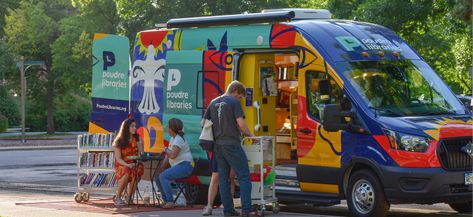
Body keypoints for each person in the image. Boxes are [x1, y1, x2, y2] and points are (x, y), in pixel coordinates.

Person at [204, 80, 260, 217]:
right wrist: (251, 135)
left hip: (218, 145)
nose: (239, 99)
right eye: (240, 96)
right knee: (244, 175)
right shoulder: (233, 102)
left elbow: (203, 123)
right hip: (232, 143)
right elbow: (241, 124)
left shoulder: (213, 102)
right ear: (235, 91)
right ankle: (246, 209)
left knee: (223, 178)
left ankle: (228, 211)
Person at [155, 118, 194, 209]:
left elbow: (172, 155)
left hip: (185, 166)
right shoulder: (173, 138)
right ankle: (166, 200)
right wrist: (162, 168)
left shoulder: (178, 139)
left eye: (168, 126)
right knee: (158, 176)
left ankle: (170, 201)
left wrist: (165, 150)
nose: (167, 128)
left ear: (172, 128)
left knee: (163, 176)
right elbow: (168, 156)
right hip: (179, 165)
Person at [113, 118, 144, 206]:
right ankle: (118, 197)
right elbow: (118, 158)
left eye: (135, 126)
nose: (135, 128)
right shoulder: (119, 140)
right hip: (123, 163)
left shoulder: (137, 138)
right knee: (126, 170)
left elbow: (141, 154)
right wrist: (127, 164)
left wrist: (140, 143)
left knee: (136, 171)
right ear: (126, 128)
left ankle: (129, 198)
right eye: (132, 126)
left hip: (135, 163)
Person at [201, 151, 236, 216]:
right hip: (218, 149)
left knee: (230, 178)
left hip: (231, 147)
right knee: (215, 177)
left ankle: (230, 207)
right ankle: (209, 206)